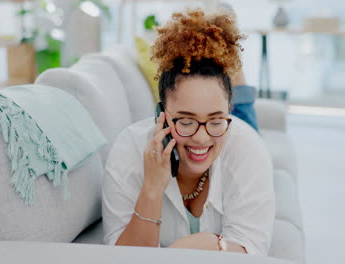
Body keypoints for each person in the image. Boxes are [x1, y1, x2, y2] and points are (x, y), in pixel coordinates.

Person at [102, 9, 275, 255]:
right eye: (185, 121)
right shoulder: (128, 150)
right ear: (160, 115)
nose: (201, 137)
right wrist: (151, 189)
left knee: (245, 115)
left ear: (228, 113)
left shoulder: (247, 146)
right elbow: (119, 259)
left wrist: (195, 247)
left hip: (240, 135)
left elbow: (252, 251)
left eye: (216, 120)